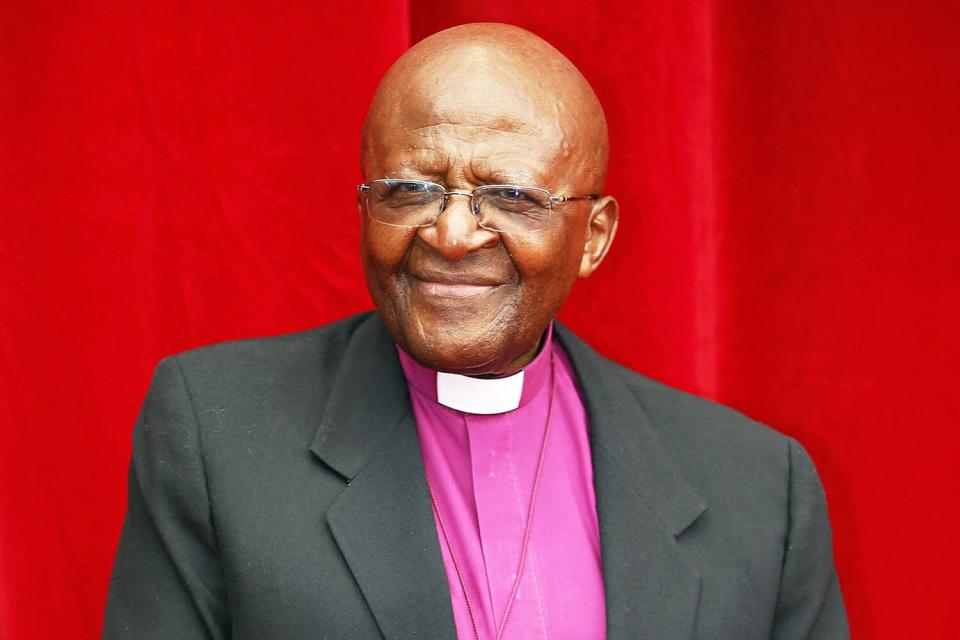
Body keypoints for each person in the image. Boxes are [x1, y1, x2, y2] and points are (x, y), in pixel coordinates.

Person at [103, 23, 849, 640]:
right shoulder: (218, 437)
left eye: (511, 196)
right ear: (364, 209)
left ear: (593, 236)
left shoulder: (760, 490)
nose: (454, 233)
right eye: (410, 190)